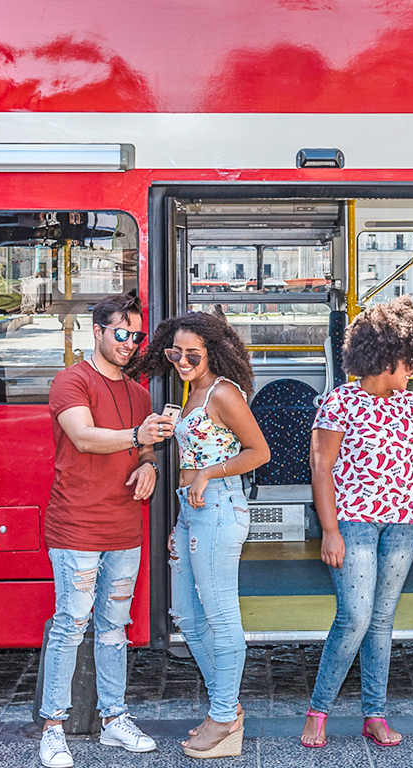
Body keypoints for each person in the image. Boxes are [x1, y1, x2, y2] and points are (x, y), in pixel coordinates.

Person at [300, 298, 413, 749]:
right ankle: (319, 709)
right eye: (409, 361)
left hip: (405, 524)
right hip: (354, 524)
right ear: (386, 357)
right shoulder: (339, 402)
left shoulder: (411, 405)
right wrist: (329, 531)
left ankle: (375, 713)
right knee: (355, 616)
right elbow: (321, 467)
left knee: (383, 619)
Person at [37, 292, 172, 766]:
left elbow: (143, 451)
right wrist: (139, 437)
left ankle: (114, 719)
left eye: (136, 336)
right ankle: (53, 727)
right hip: (75, 525)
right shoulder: (71, 381)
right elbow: (83, 435)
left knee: (114, 628)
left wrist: (149, 464)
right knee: (70, 625)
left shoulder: (137, 392)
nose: (130, 343)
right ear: (97, 331)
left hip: (123, 528)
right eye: (121, 334)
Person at [128, 312, 270, 759]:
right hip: (194, 512)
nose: (183, 361)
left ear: (213, 352)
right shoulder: (190, 392)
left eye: (193, 354)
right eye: (176, 353)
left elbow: (259, 451)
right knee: (187, 615)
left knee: (222, 617)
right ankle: (225, 708)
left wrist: (209, 471)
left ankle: (224, 716)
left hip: (220, 507)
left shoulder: (222, 392)